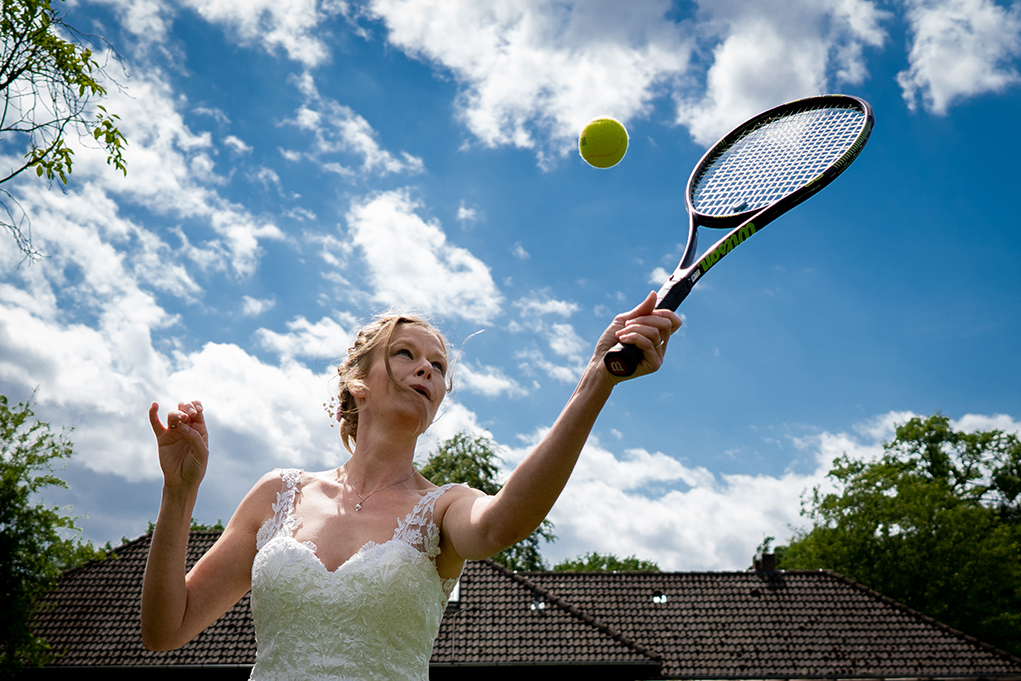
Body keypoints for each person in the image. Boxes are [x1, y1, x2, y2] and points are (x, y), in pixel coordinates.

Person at [141, 292, 681, 680]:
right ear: (358, 381)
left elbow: (504, 521)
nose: (426, 369)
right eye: (406, 354)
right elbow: (165, 630)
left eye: (438, 366)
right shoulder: (276, 494)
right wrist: (179, 493)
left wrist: (596, 380)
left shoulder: (443, 507)